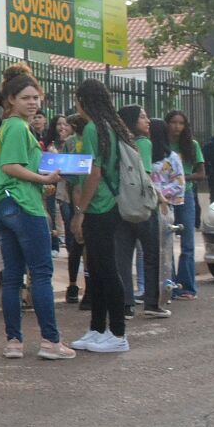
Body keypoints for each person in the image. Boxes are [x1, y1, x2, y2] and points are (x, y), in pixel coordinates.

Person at [0, 71, 75, 360]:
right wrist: (44, 180)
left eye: (36, 97)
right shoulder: (16, 128)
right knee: (40, 274)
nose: (33, 103)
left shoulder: (7, 128)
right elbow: (10, 167)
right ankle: (50, 341)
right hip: (23, 207)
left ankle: (14, 341)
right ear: (10, 100)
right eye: (25, 98)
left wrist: (40, 180)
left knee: (13, 277)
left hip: (4, 204)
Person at [70, 78, 132, 353]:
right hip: (111, 206)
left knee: (105, 270)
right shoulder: (112, 126)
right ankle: (97, 329)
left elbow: (94, 173)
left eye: (77, 99)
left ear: (84, 101)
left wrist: (79, 212)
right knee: (97, 270)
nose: (76, 105)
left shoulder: (95, 129)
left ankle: (117, 333)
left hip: (100, 208)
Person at [115, 104, 159, 320]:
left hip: (122, 205)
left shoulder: (118, 142)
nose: (147, 121)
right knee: (150, 254)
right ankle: (151, 303)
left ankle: (126, 304)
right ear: (132, 121)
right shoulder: (143, 143)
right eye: (142, 117)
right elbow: (146, 176)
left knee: (123, 256)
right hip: (142, 206)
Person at [165, 109, 205, 300]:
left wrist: (180, 178)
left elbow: (201, 173)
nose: (177, 127)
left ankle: (187, 286)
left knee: (187, 241)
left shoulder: (192, 145)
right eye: (173, 122)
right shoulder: (161, 144)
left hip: (185, 194)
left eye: (181, 123)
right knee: (166, 240)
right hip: (165, 196)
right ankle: (170, 285)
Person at [147, 117, 185, 318]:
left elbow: (179, 184)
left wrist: (159, 193)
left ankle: (164, 293)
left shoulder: (171, 158)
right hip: (144, 208)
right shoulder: (142, 154)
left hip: (162, 208)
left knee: (164, 253)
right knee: (147, 253)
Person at [60, 113, 86, 305]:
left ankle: (90, 284)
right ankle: (72, 284)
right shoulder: (70, 143)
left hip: (91, 196)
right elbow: (69, 176)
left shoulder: (93, 140)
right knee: (75, 243)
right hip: (73, 197)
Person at [44, 114, 70, 258]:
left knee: (67, 214)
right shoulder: (49, 144)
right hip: (52, 182)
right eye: (59, 124)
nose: (62, 127)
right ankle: (53, 244)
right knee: (51, 212)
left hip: (67, 184)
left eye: (65, 124)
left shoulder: (72, 142)